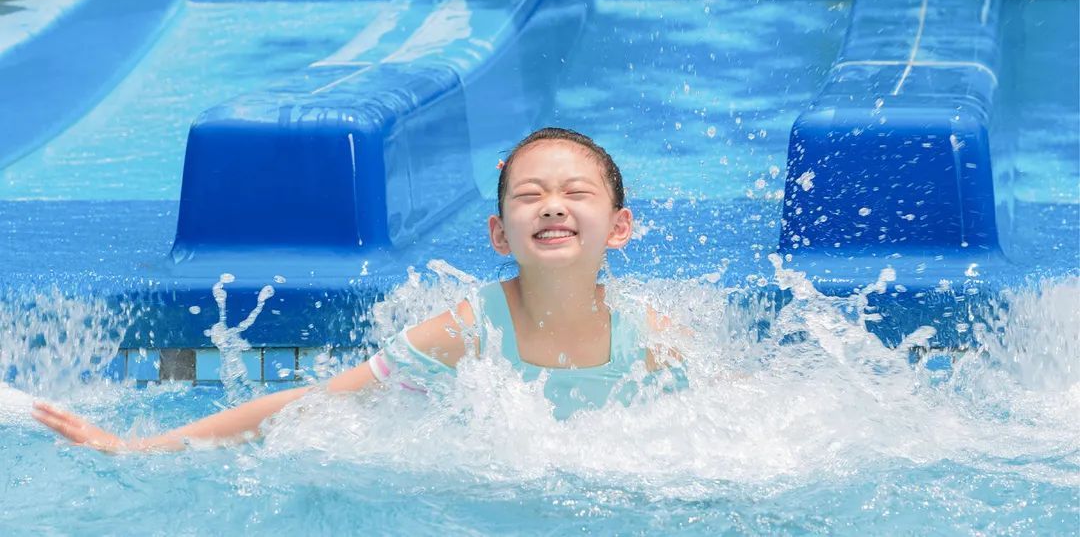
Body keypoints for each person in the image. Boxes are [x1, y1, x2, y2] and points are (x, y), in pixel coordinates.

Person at [32, 127, 684, 452]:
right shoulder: (470, 328)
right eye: (530, 196)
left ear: (620, 227)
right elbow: (317, 402)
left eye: (575, 194)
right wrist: (141, 447)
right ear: (498, 233)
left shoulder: (652, 338)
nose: (552, 207)